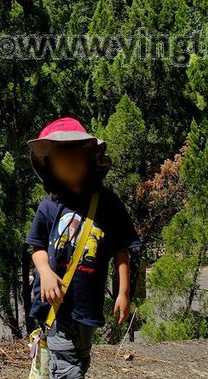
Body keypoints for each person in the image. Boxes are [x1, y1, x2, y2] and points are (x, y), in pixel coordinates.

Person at [25, 117, 140, 379]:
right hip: (57, 302)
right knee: (68, 367)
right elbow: (37, 246)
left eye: (77, 153)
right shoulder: (48, 206)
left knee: (79, 358)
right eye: (61, 155)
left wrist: (124, 292)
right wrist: (44, 272)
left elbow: (121, 250)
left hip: (88, 304)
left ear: (90, 158)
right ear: (49, 165)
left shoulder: (108, 203)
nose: (70, 160)